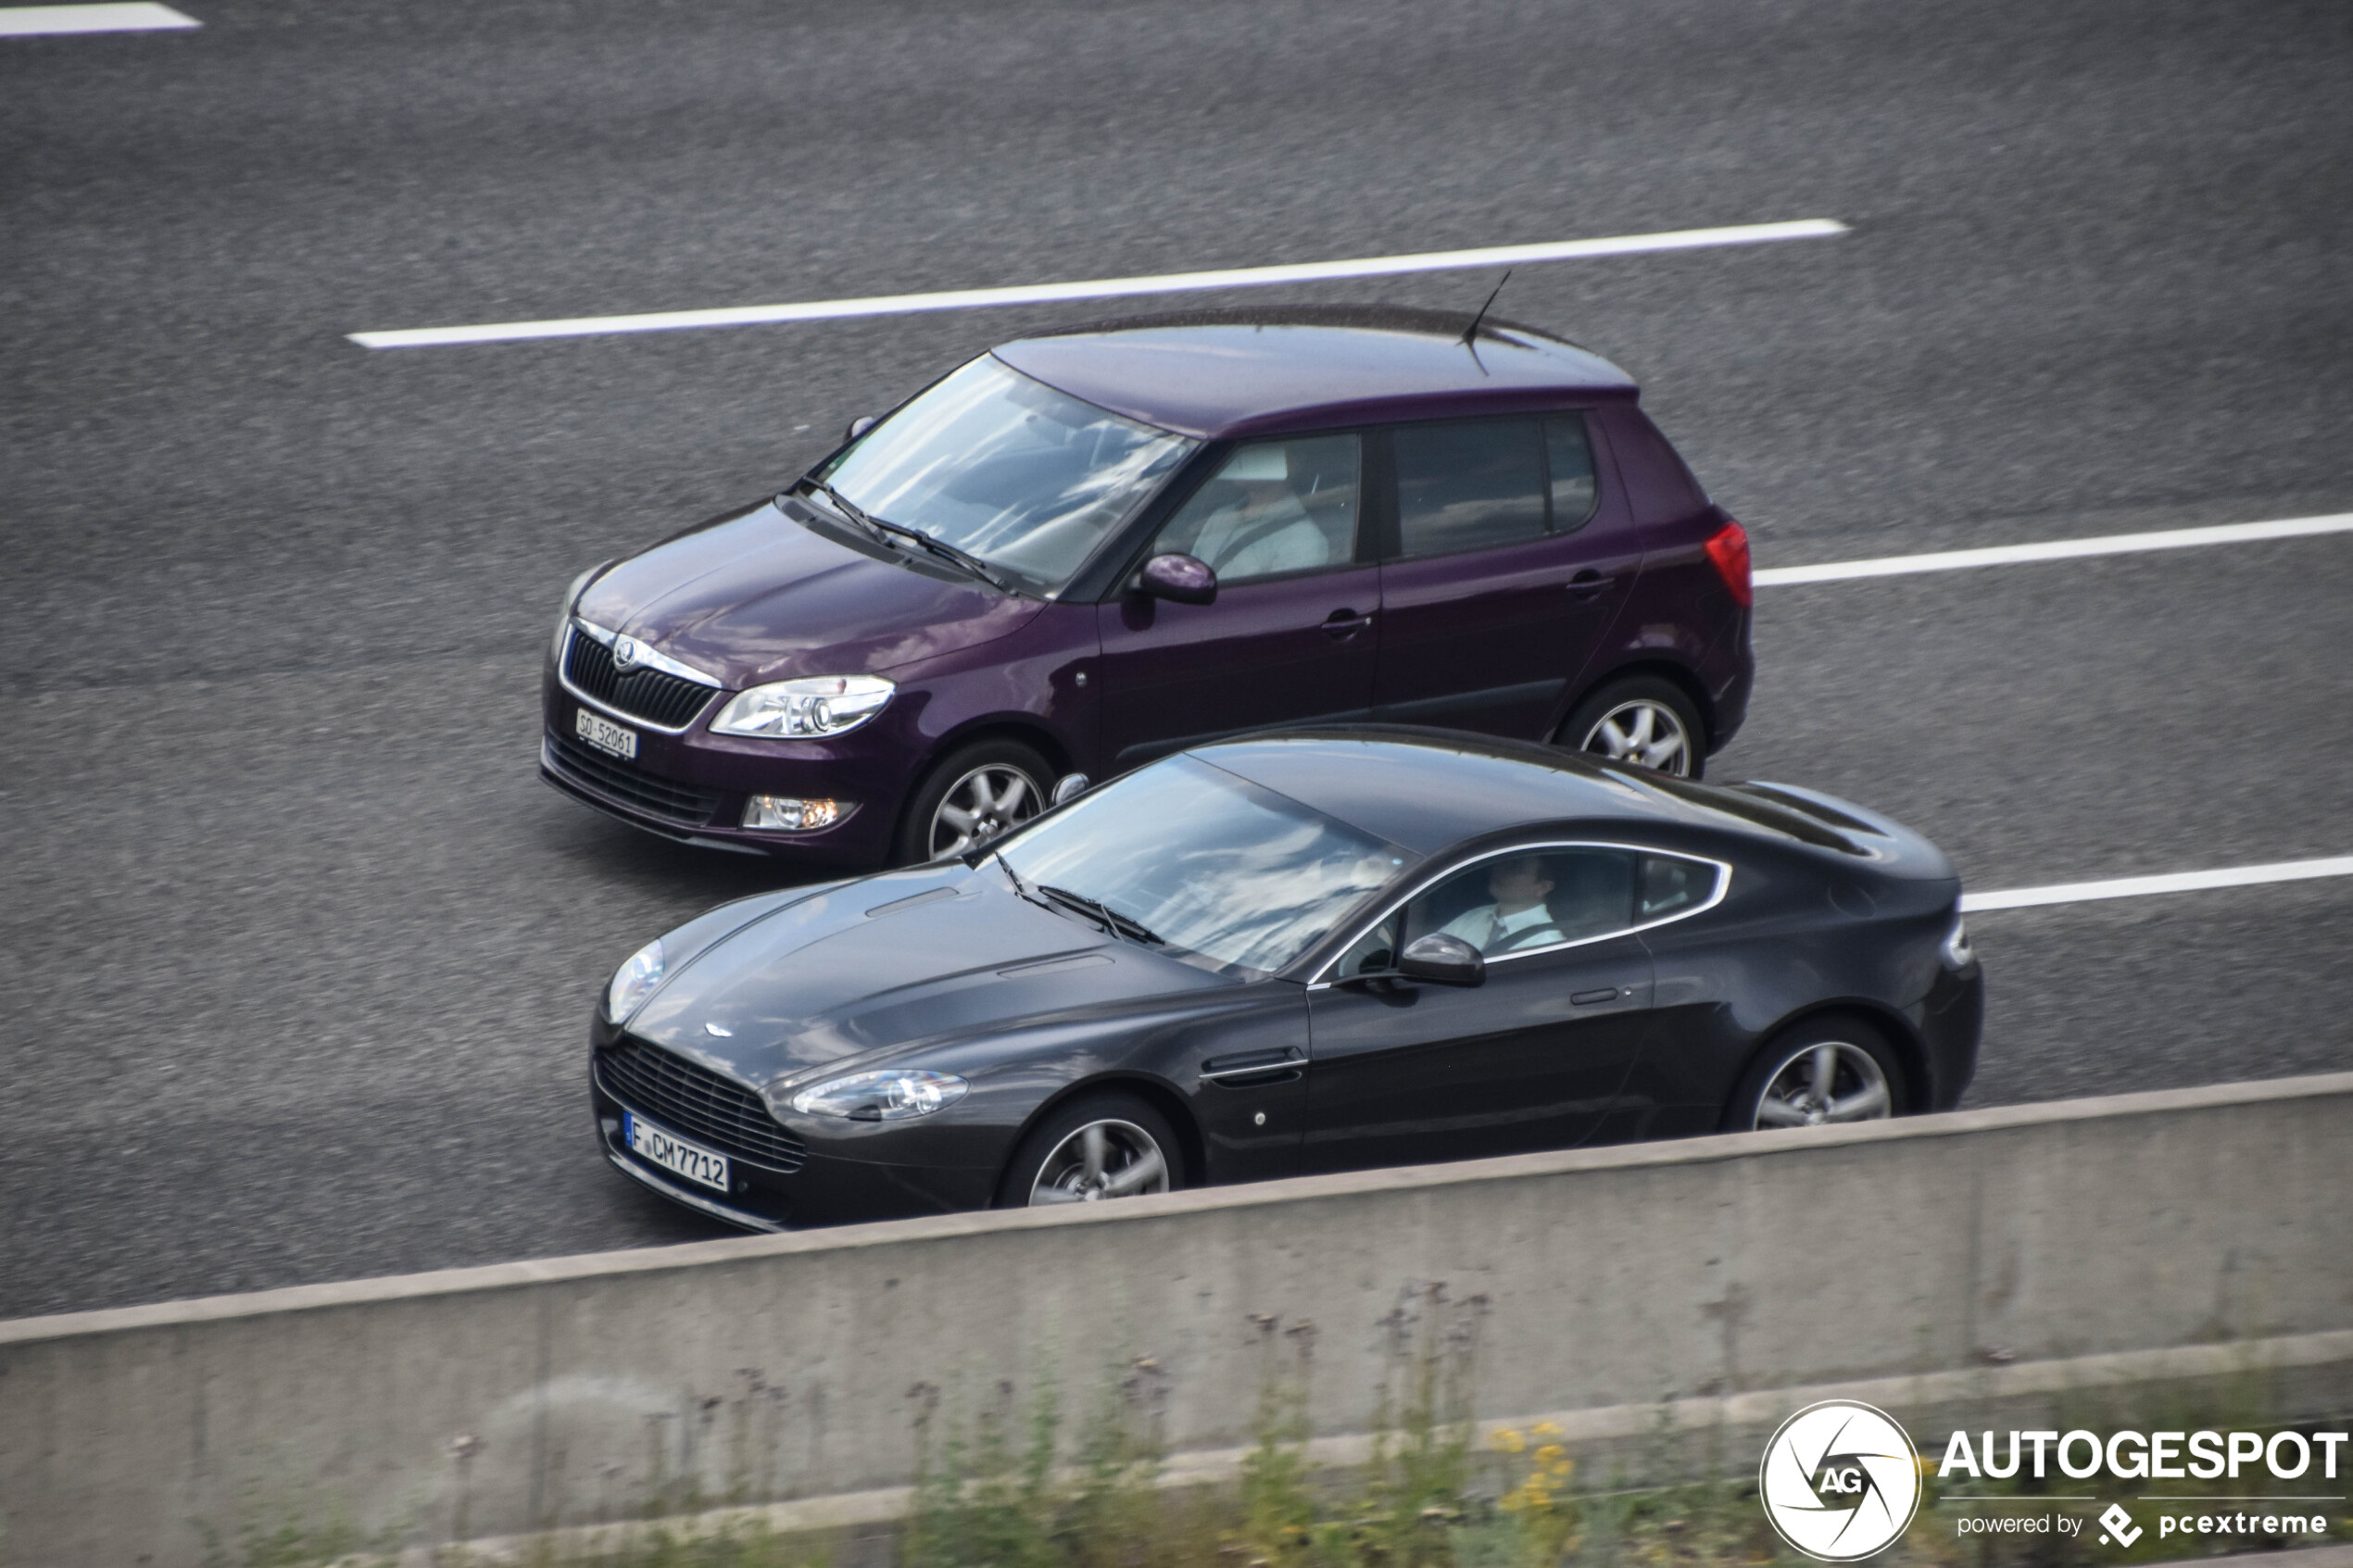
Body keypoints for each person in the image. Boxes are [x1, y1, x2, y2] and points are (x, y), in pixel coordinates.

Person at [1181, 445, 1332, 580]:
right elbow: (1191, 577)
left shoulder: (1302, 538)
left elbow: (1276, 606)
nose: (1242, 459)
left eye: (1258, 452)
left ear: (1289, 464)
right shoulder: (1221, 516)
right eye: (1245, 450)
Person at [1437, 856, 1563, 955]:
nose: (1502, 871)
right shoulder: (1473, 917)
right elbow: (1430, 951)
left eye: (1517, 868)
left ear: (1543, 887)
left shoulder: (1546, 943)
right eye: (1503, 862)